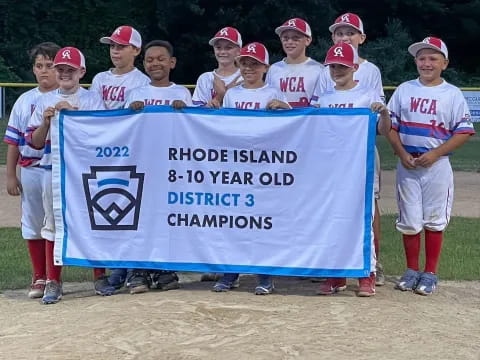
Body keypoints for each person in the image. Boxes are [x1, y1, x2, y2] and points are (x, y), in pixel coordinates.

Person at [387, 37, 475, 295]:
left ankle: (430, 272)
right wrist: (401, 152)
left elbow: (462, 132)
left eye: (433, 58)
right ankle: (412, 269)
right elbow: (391, 127)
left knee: (434, 219)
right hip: (408, 163)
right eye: (422, 58)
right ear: (416, 61)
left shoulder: (452, 93)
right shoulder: (404, 89)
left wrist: (436, 153)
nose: (426, 63)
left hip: (436, 164)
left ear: (444, 63)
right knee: (410, 219)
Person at [26, 47, 105, 304]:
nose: (64, 73)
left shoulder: (92, 99)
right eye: (60, 68)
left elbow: (102, 135)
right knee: (52, 224)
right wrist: (47, 123)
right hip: (53, 170)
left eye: (70, 69)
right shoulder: (44, 101)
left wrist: (74, 114)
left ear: (81, 71)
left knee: (93, 220)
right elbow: (35, 143)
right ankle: (53, 280)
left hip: (84, 170)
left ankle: (99, 275)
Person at [312, 42, 391, 297]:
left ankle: (366, 274)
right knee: (331, 219)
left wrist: (385, 114)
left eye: (342, 66)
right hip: (331, 166)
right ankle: (336, 275)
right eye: (333, 66)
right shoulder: (325, 98)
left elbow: (383, 130)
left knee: (362, 219)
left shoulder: (367, 95)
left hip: (360, 164)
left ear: (355, 67)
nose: (337, 70)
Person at [212, 42, 290, 295]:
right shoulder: (233, 95)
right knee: (234, 221)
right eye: (244, 63)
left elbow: (292, 129)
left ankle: (264, 274)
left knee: (262, 221)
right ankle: (231, 271)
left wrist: (284, 109)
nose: (248, 68)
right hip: (236, 165)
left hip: (265, 167)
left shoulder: (273, 92)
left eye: (254, 64)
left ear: (265, 67)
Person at [124, 39, 193, 294]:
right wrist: (131, 113)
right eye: (150, 59)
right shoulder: (136, 94)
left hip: (170, 166)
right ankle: (139, 270)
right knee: (140, 216)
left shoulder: (182, 93)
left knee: (167, 217)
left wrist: (185, 112)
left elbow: (193, 131)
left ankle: (165, 268)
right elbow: (121, 130)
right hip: (142, 165)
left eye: (161, 58)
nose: (155, 63)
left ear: (172, 62)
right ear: (144, 64)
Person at [90, 25, 150, 296]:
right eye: (113, 46)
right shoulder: (100, 78)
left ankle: (135, 266)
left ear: (135, 50)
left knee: (131, 207)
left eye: (121, 46)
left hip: (131, 150)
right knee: (109, 209)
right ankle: (117, 266)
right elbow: (94, 113)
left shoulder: (141, 81)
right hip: (104, 149)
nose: (115, 50)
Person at [3, 42, 60, 299]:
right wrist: (11, 174)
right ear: (33, 70)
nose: (45, 71)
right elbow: (13, 141)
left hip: (59, 169)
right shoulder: (26, 101)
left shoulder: (67, 95)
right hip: (32, 168)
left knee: (56, 222)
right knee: (34, 222)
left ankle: (53, 277)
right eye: (40, 66)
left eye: (50, 65)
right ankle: (39, 275)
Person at [266, 17, 324, 108]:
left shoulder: (319, 69)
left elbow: (319, 106)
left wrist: (288, 108)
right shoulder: (274, 69)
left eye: (295, 38)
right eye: (285, 38)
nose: (289, 42)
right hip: (279, 121)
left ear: (308, 40)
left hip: (307, 122)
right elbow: (268, 100)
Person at [192, 26, 243, 109]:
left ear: (239, 51)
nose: (222, 52)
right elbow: (197, 113)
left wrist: (225, 94)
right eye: (218, 47)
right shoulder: (205, 78)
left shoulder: (244, 77)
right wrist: (221, 95)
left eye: (228, 48)